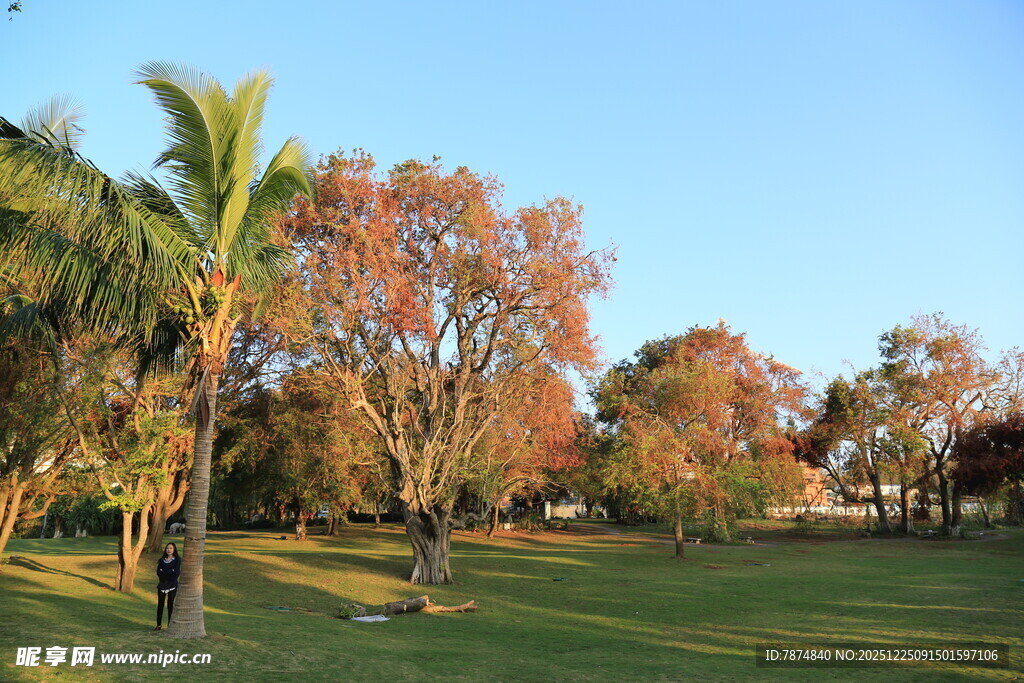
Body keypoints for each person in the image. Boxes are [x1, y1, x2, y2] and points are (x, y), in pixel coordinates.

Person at [155, 542, 181, 631]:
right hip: (162, 585)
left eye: (171, 548)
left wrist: (165, 571)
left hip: (172, 585)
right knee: (160, 605)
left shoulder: (177, 560)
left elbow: (176, 573)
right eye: (167, 548)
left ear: (174, 550)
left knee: (170, 605)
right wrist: (169, 571)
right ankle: (158, 625)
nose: (168, 550)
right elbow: (159, 572)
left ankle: (170, 626)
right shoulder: (162, 560)